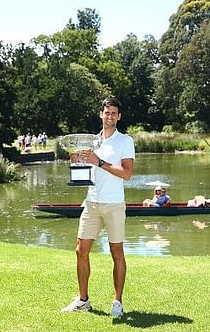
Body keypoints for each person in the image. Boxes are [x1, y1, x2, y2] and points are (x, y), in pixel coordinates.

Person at [61, 97, 135, 318]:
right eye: (107, 112)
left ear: (119, 116)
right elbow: (84, 167)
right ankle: (83, 300)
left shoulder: (125, 141)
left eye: (114, 113)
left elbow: (127, 174)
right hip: (91, 202)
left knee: (117, 253)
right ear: (100, 114)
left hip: (114, 204)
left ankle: (117, 302)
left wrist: (99, 161)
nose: (110, 116)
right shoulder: (91, 141)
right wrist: (76, 159)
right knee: (80, 250)